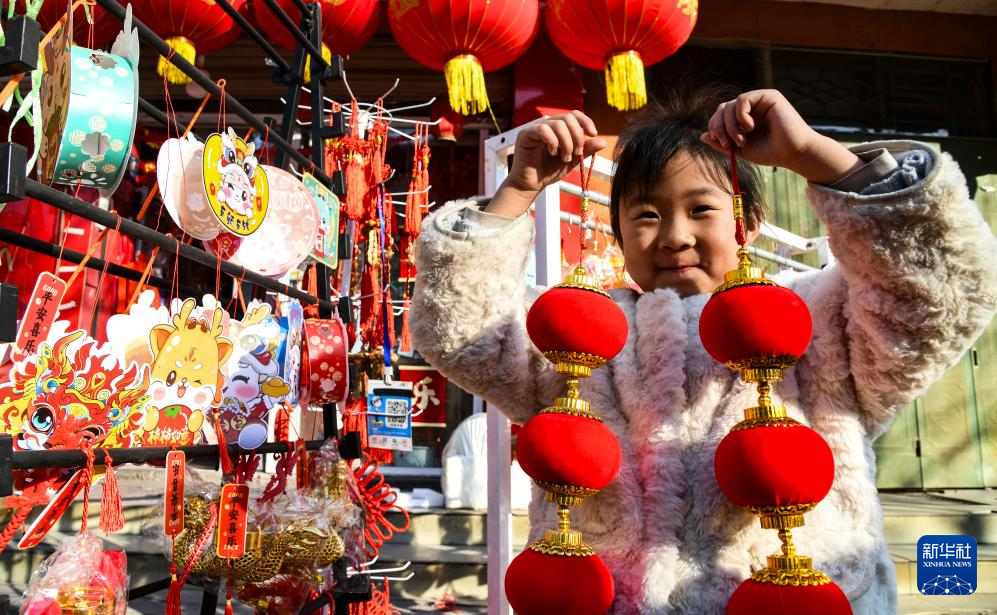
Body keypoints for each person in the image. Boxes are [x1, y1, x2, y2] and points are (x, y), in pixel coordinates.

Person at [409, 87, 997, 614]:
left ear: (752, 221)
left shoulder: (820, 322)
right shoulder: (579, 340)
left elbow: (940, 294)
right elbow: (462, 335)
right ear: (616, 235)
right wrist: (518, 190)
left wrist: (813, 155)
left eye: (701, 209)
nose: (674, 235)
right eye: (645, 214)